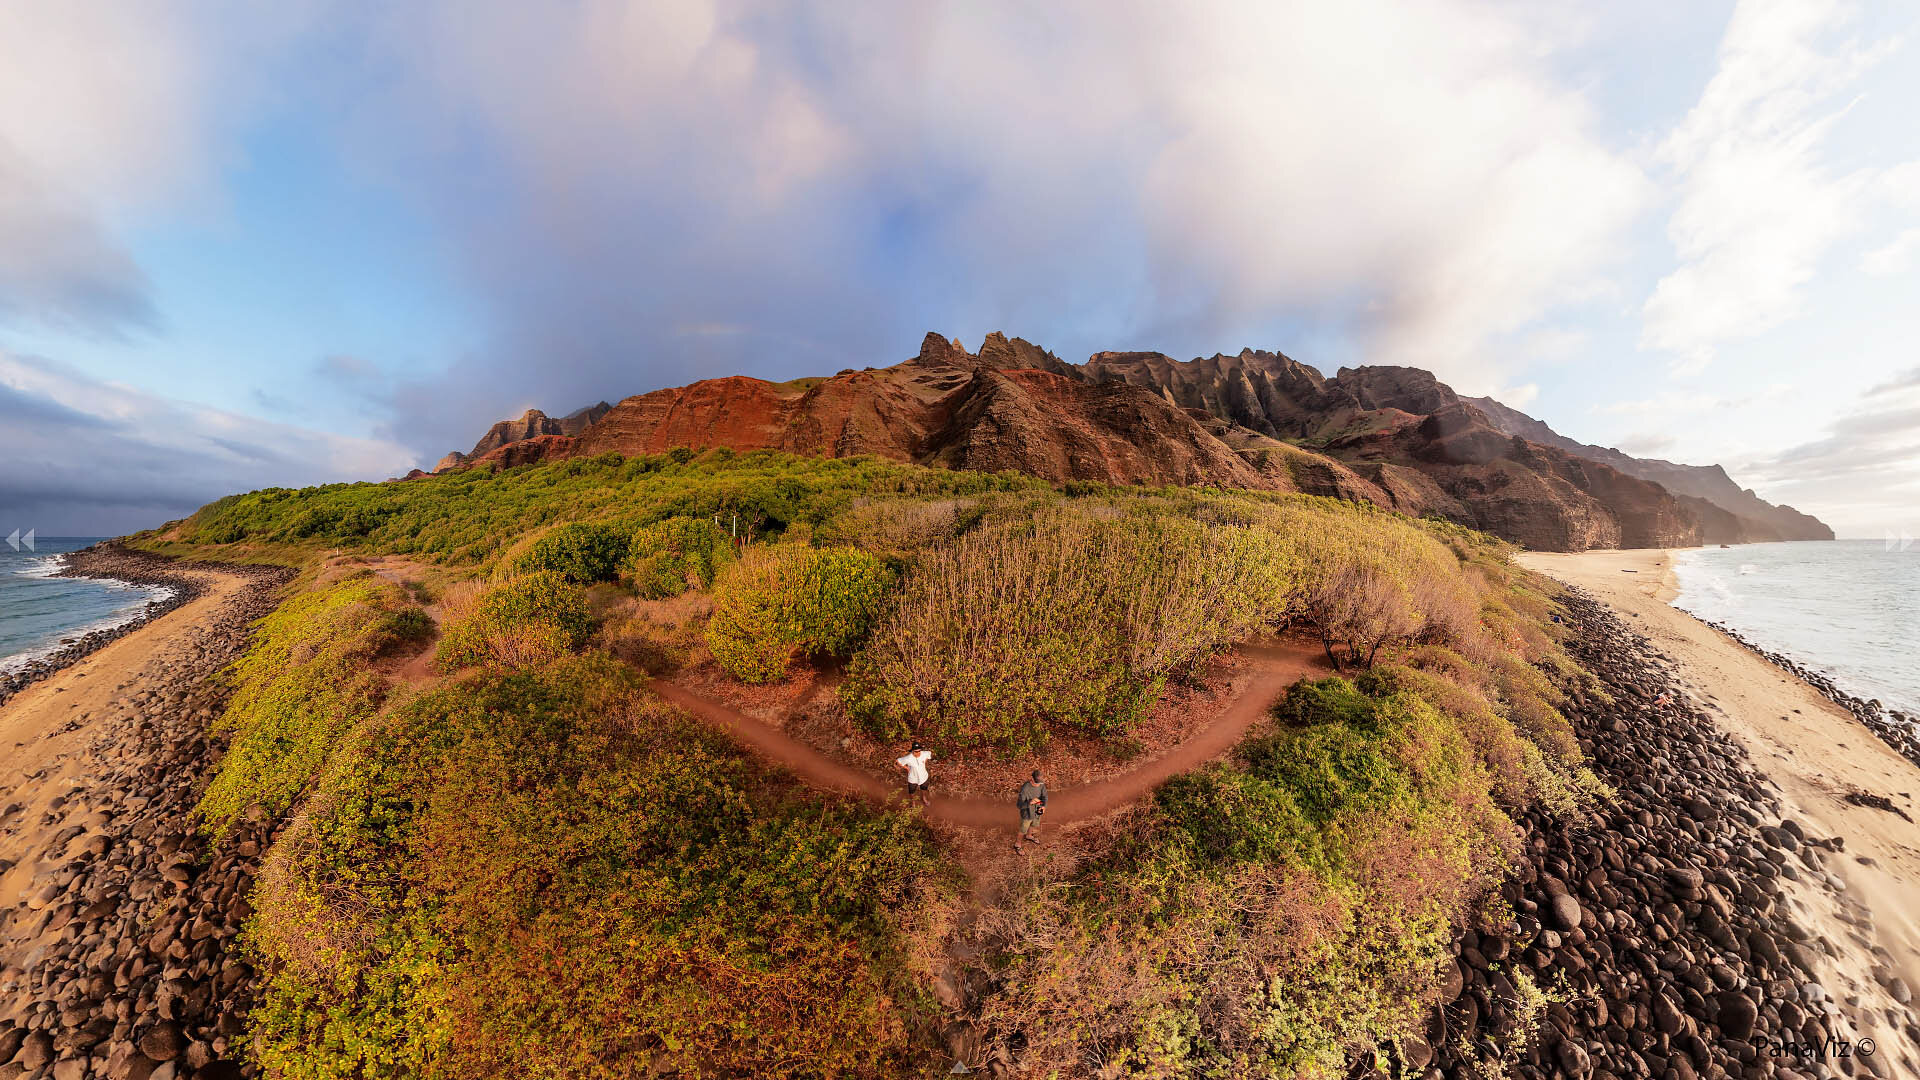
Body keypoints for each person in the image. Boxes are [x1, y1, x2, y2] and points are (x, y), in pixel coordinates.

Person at [1014, 769, 1047, 852]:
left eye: (1039, 783)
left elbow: (1044, 796)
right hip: (1027, 812)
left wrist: (1043, 806)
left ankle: (1029, 835)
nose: (1038, 785)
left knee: (1034, 823)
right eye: (1036, 783)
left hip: (1038, 809)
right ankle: (1017, 844)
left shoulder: (1041, 784)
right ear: (1031, 778)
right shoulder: (1025, 789)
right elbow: (1019, 805)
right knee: (1023, 830)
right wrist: (1030, 802)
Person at [896, 742, 933, 807]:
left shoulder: (924, 754)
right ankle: (913, 802)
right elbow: (898, 761)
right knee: (912, 792)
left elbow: (929, 753)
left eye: (919, 751)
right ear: (912, 751)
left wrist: (925, 761)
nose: (918, 753)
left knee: (924, 789)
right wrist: (907, 768)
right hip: (913, 778)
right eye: (916, 751)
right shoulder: (908, 758)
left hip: (924, 777)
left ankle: (924, 798)